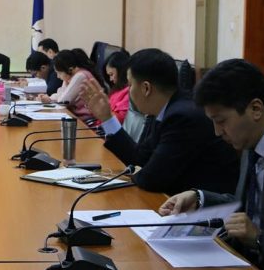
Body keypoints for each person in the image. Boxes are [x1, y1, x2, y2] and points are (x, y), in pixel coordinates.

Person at [159, 59, 264, 270]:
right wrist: (200, 199)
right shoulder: (250, 143)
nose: (217, 132)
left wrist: (259, 238)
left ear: (256, 109)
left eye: (221, 121)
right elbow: (248, 209)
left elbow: (255, 226)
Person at [80, 48, 239, 195]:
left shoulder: (182, 117)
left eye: (130, 85)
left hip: (207, 208)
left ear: (146, 88)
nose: (128, 92)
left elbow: (151, 179)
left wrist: (139, 173)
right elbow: (140, 157)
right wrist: (107, 119)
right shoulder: (164, 110)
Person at [37, 49, 100, 121]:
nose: (58, 76)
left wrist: (50, 99)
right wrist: (49, 98)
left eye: (59, 73)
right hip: (77, 117)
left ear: (69, 69)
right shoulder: (71, 75)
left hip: (88, 120)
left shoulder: (80, 76)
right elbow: (60, 93)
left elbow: (63, 101)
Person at [104, 51, 131, 123]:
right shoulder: (117, 88)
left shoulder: (129, 91)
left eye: (111, 74)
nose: (110, 79)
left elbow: (120, 119)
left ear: (121, 71)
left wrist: (101, 110)